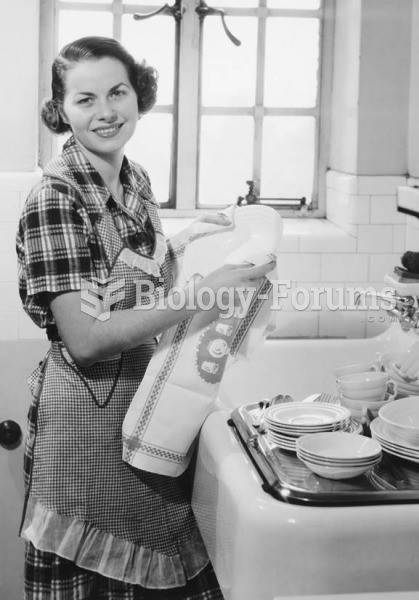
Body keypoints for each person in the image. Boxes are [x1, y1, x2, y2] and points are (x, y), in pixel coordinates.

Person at [16, 36, 275, 600]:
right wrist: (204, 294)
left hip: (145, 406)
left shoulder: (134, 180)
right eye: (85, 100)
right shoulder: (55, 199)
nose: (106, 111)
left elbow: (130, 279)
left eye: (118, 92)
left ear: (139, 96)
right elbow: (85, 339)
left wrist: (190, 241)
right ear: (61, 110)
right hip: (87, 423)